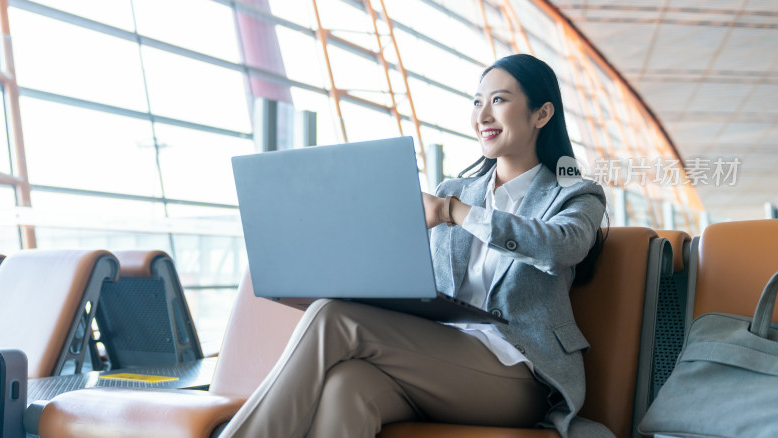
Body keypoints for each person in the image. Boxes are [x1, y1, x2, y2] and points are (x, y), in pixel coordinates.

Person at [219, 54, 610, 438]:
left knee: (332, 316)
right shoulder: (454, 190)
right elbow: (411, 273)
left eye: (499, 100)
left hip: (521, 372)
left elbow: (561, 247)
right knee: (347, 386)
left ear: (542, 114)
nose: (483, 115)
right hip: (439, 356)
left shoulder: (574, 193)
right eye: (477, 101)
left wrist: (454, 212)